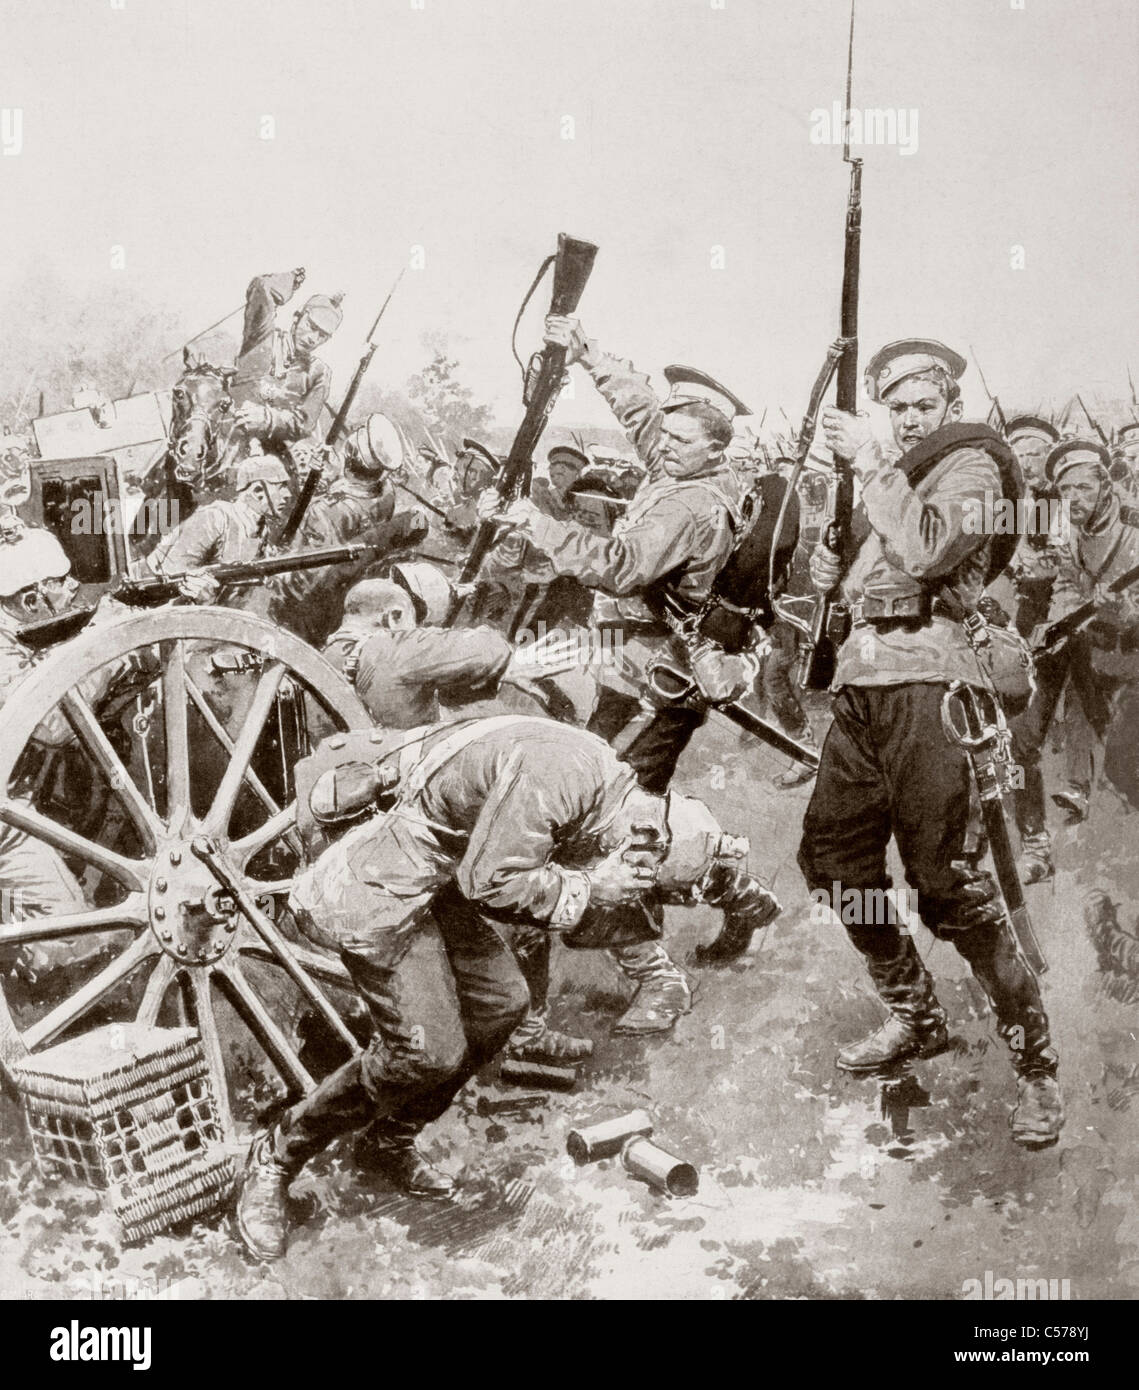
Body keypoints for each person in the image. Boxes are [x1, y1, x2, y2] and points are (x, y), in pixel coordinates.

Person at [235, 717, 672, 1260]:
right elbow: (491, 881)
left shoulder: (608, 782)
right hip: (383, 884)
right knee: (425, 1055)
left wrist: (585, 885)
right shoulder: (562, 775)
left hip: (438, 883)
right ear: (635, 835)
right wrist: (588, 886)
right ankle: (276, 1154)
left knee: (502, 1006)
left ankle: (387, 1141)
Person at [798, 337, 1062, 1149]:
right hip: (863, 688)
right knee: (834, 863)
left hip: (932, 689)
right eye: (896, 407)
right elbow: (872, 575)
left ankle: (1036, 1067)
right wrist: (828, 572)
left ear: (948, 405)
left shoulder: (974, 465)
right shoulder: (892, 478)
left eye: (922, 406)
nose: (909, 419)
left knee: (946, 886)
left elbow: (927, 551)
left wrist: (875, 465)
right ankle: (915, 1013)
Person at [1010, 438, 1139, 867]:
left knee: (1121, 759)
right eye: (1066, 491)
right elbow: (1065, 590)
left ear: (1105, 486)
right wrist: (1051, 630)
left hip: (1123, 661)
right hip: (1078, 647)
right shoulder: (1067, 536)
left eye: (1084, 488)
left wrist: (1125, 613)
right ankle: (1035, 840)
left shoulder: (1133, 535)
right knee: (1022, 733)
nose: (1073, 499)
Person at [140, 454, 293, 604]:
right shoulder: (215, 517)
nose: (288, 495)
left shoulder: (260, 526)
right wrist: (196, 586)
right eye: (281, 487)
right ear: (258, 491)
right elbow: (173, 573)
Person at [230, 267, 342, 454]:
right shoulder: (262, 336)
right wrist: (287, 280)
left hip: (270, 450)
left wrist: (268, 419)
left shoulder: (319, 372)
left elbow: (304, 424)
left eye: (322, 335)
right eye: (311, 326)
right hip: (228, 431)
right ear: (297, 317)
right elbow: (260, 286)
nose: (313, 338)